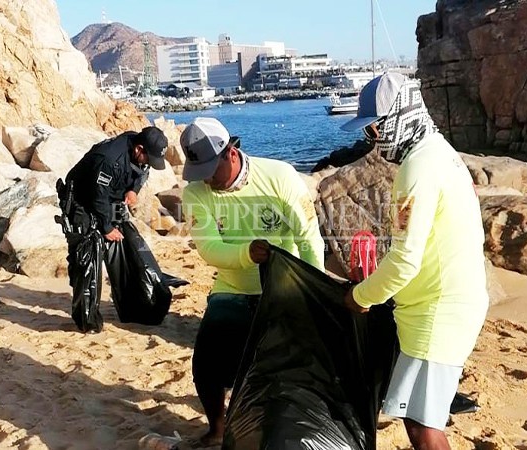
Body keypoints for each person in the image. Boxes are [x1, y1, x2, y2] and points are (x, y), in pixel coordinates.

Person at [340, 73, 489, 450]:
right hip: (445, 302)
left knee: (423, 426)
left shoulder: (417, 168)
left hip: (437, 310)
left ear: (397, 119)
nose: (372, 139)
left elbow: (406, 259)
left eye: (375, 129)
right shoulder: (439, 152)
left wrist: (361, 296)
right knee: (419, 415)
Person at [180, 117, 325, 446]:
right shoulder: (195, 194)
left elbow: (309, 240)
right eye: (197, 172)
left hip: (281, 286)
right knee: (206, 362)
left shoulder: (279, 177)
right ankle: (217, 427)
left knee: (283, 365)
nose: (206, 181)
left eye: (209, 171)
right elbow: (208, 249)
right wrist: (247, 253)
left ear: (230, 153)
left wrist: (310, 292)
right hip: (231, 288)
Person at [59, 126, 169, 332]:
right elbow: (97, 196)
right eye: (149, 158)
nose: (150, 163)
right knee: (87, 257)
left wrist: (133, 190)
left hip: (112, 200)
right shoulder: (109, 159)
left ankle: (132, 309)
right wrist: (107, 228)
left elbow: (142, 172)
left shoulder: (140, 153)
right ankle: (87, 320)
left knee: (124, 249)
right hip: (82, 201)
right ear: (139, 149)